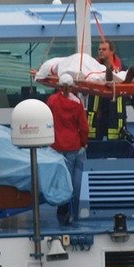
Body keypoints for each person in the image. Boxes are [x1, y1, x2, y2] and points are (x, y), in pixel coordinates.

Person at [85, 40, 134, 142]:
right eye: (99, 49)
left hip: (115, 115)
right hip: (97, 116)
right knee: (95, 149)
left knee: (116, 147)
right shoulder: (92, 71)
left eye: (104, 49)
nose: (100, 51)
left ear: (112, 51)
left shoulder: (123, 70)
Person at [49, 73, 89, 224]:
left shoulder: (52, 101)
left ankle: (60, 206)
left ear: (59, 85)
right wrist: (84, 142)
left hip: (55, 145)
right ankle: (67, 210)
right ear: (72, 86)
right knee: (71, 179)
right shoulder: (77, 103)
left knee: (59, 177)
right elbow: (83, 127)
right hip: (72, 145)